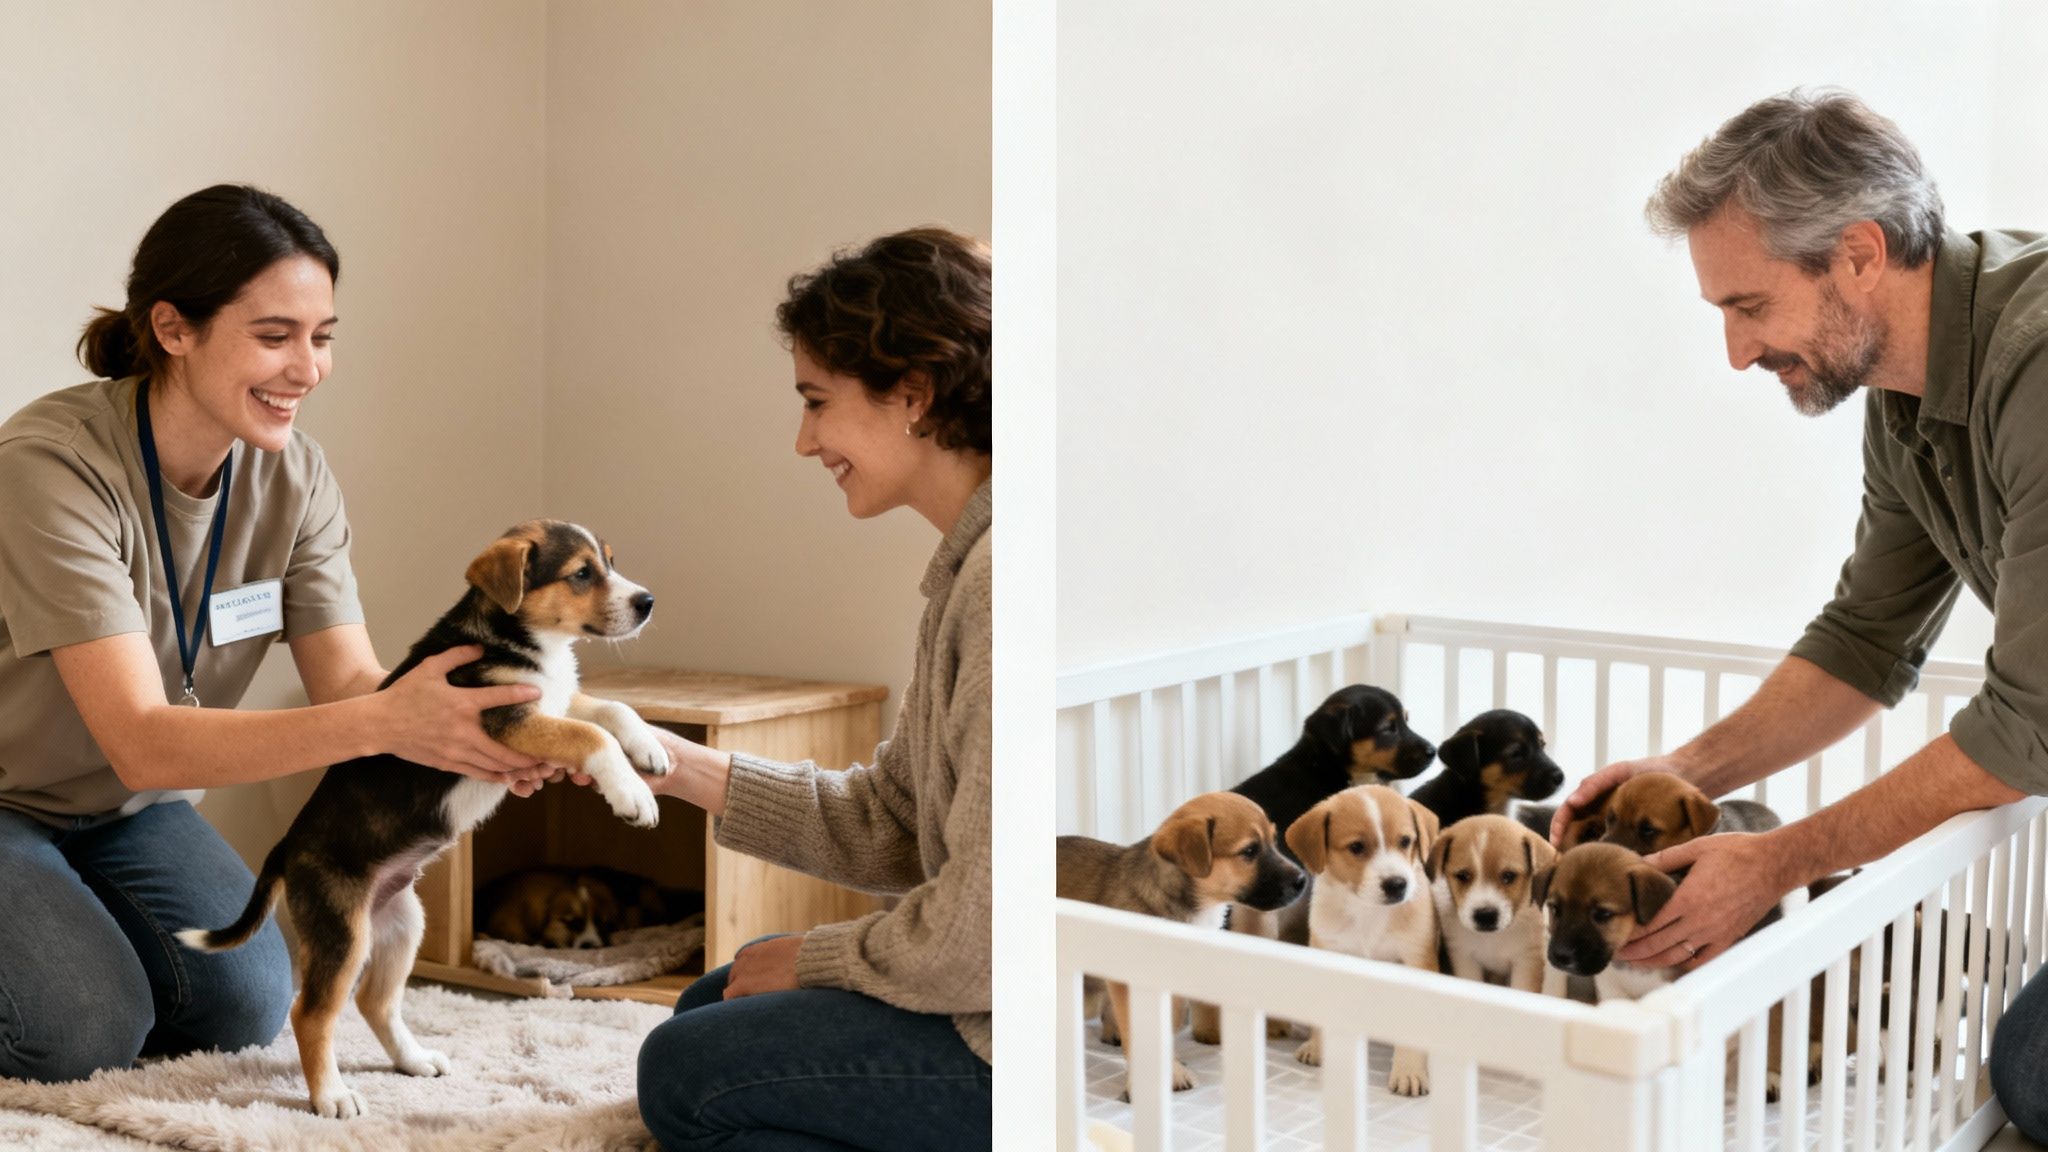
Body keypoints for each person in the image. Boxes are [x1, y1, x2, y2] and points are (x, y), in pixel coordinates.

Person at [1546, 88, 2048, 1139]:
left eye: (1747, 306)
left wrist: (1777, 858)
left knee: (2035, 1080)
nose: (1735, 353)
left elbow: (2029, 723)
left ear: (1857, 255)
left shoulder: (2035, 363)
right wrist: (1681, 776)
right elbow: (1865, 641)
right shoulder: (1904, 399)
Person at [0, 184, 554, 1083]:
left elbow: (350, 686)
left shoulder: (293, 476)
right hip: (11, 795)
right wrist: (392, 723)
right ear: (173, 328)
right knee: (79, 1029)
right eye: (274, 336)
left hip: (127, 813)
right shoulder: (50, 467)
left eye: (323, 336)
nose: (309, 368)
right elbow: (143, 741)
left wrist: (477, 729)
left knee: (248, 1004)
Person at [627, 227, 992, 1151]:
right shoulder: (965, 570)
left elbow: (978, 938)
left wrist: (820, 957)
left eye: (817, 402)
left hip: (1011, 1038)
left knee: (688, 1073)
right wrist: (672, 765)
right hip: (987, 988)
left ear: (912, 393)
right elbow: (894, 822)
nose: (803, 441)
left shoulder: (1001, 582)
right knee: (712, 1001)